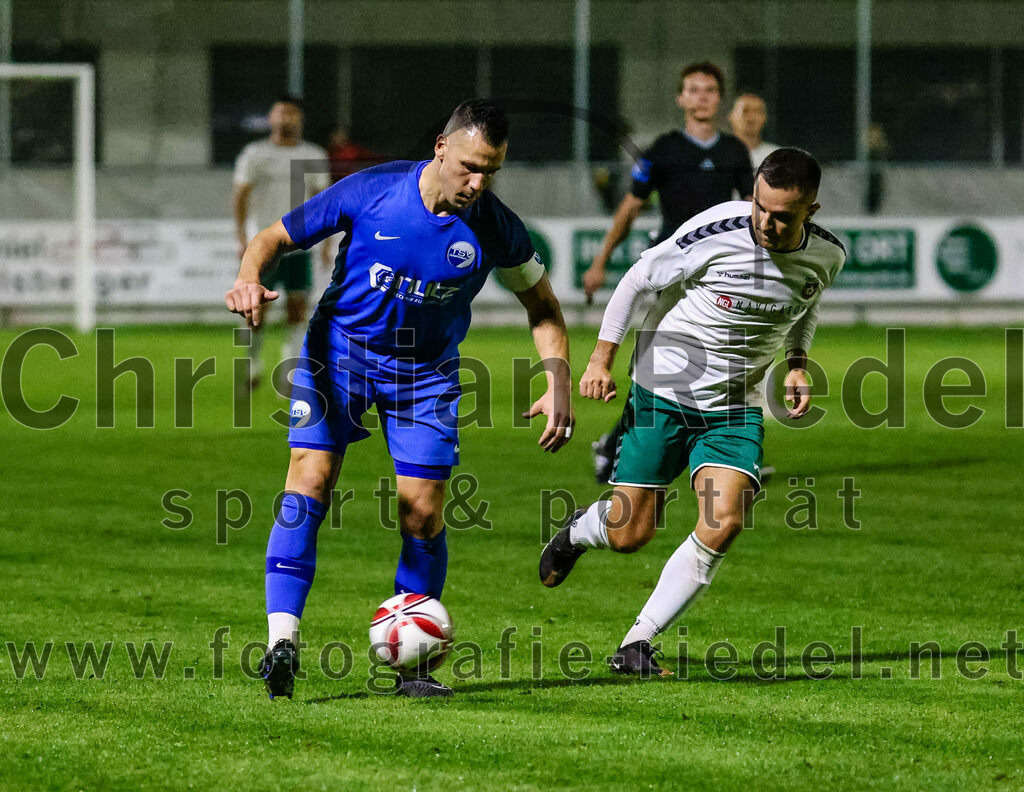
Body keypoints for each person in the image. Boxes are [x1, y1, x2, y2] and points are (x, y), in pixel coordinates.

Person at [226, 99, 574, 699]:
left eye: (491, 171)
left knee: (422, 510)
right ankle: (282, 641)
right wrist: (247, 278)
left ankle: (412, 670)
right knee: (309, 478)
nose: (477, 182)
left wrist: (557, 379)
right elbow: (272, 237)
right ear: (441, 147)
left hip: (426, 375)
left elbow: (541, 306)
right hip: (338, 354)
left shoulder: (495, 226)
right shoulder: (371, 190)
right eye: (468, 165)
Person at [539, 148, 845, 678]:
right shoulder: (715, 230)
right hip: (663, 390)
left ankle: (637, 642)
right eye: (760, 207)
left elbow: (806, 303)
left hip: (736, 407)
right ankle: (581, 531)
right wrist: (600, 360)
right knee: (632, 534)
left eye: (782, 216)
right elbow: (638, 280)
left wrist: (796, 363)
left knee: (724, 520)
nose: (766, 224)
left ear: (810, 213)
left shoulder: (828, 256)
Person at [583, 62, 754, 484]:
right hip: (672, 276)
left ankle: (729, 446)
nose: (702, 97)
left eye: (710, 90)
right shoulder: (662, 149)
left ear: (720, 98)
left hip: (718, 277)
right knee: (650, 367)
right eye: (693, 90)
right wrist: (601, 261)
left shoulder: (735, 151)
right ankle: (617, 442)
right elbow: (631, 206)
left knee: (726, 362)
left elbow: (755, 213)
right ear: (680, 98)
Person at [233, 94, 331, 389]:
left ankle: (291, 366)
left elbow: (323, 201)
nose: (285, 118)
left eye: (291, 113)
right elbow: (240, 196)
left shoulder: (313, 155)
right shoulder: (255, 154)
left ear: (300, 118)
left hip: (300, 243)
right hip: (262, 244)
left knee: (298, 305)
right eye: (280, 113)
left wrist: (326, 241)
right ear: (271, 117)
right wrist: (241, 237)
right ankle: (252, 360)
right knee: (256, 307)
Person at [728, 92, 779, 168]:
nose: (751, 118)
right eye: (745, 111)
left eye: (757, 111)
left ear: (765, 118)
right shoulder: (717, 154)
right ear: (731, 116)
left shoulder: (777, 157)